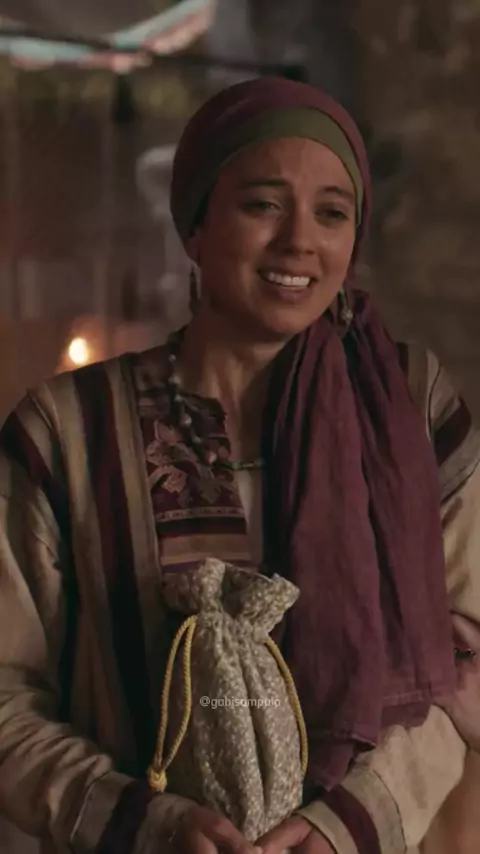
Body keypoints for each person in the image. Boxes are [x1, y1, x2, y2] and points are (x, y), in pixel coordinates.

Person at [0, 75, 480, 854]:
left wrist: (345, 826)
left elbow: (464, 667)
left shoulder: (411, 407)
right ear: (195, 225)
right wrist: (144, 823)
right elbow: (4, 692)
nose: (300, 242)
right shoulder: (67, 430)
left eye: (332, 213)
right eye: (262, 205)